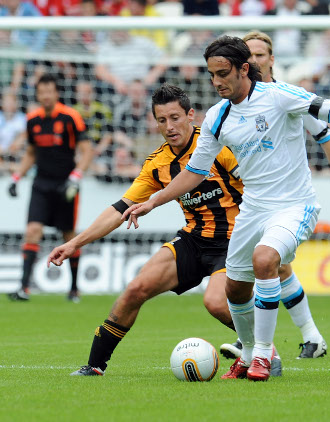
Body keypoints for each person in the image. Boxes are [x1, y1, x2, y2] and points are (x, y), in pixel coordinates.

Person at [120, 36, 330, 381]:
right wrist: (154, 200)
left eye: (223, 73)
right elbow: (194, 172)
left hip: (294, 205)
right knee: (235, 288)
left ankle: (262, 357)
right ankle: (247, 354)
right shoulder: (217, 117)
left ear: (244, 69)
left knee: (266, 259)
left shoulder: (280, 96)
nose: (216, 81)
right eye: (212, 74)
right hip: (253, 210)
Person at [47, 84, 282, 377]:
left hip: (236, 240)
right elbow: (119, 209)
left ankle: (264, 351)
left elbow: (259, 185)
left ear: (191, 115)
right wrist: (74, 243)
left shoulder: (219, 146)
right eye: (162, 120)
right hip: (195, 239)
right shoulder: (157, 164)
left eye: (175, 118)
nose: (169, 126)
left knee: (215, 302)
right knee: (136, 289)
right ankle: (94, 366)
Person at [218, 30, 330, 361]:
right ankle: (305, 339)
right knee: (274, 267)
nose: (254, 60)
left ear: (271, 59)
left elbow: (326, 136)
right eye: (248, 55)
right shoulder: (232, 105)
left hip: (288, 201)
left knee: (270, 264)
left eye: (260, 54)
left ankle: (260, 347)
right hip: (253, 200)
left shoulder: (287, 97)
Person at [7, 74, 93, 302]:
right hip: (41, 184)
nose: (45, 96)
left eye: (49, 91)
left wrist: (76, 176)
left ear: (57, 93)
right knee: (32, 231)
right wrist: (16, 177)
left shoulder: (71, 117)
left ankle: (74, 289)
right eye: (41, 92)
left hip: (66, 184)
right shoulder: (32, 119)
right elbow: (31, 153)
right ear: (37, 94)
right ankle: (23, 288)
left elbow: (87, 151)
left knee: (68, 235)